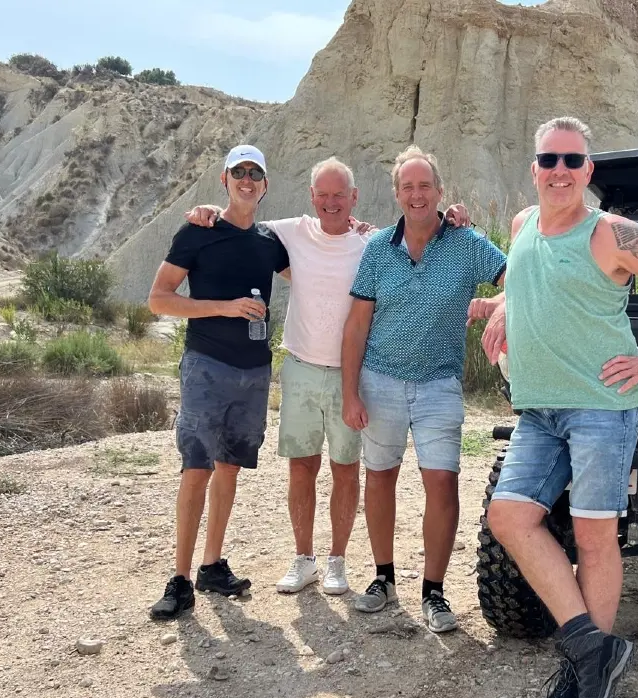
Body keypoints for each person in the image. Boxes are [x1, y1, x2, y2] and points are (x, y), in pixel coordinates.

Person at [471, 117, 638, 698]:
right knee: (509, 517)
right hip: (540, 409)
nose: (559, 171)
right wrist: (502, 308)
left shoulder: (610, 233)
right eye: (548, 160)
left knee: (592, 535)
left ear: (589, 171)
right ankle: (592, 650)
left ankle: (584, 672)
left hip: (601, 407)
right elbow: (536, 281)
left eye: (572, 160)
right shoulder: (523, 225)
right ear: (534, 169)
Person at [183, 160, 473, 598]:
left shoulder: (373, 242)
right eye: (324, 194)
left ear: (355, 198)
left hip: (351, 372)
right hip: (300, 365)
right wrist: (205, 210)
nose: (332, 203)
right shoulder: (286, 232)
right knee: (301, 468)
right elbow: (240, 219)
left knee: (346, 468)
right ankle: (304, 559)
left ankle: (338, 561)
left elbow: (419, 231)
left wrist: (454, 219)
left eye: (341, 195)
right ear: (311, 196)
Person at [341, 145, 506, 633]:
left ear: (439, 191)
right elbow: (356, 327)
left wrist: (500, 304)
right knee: (381, 477)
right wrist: (350, 393)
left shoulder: (465, 241)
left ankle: (433, 591)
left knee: (442, 483)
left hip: (439, 383)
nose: (417, 194)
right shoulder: (377, 250)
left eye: (424, 186)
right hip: (380, 379)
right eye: (407, 187)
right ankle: (383, 578)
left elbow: (518, 274)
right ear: (397, 194)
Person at [146, 144, 289, 620]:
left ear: (265, 185)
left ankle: (212, 565)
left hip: (254, 371)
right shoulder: (198, 231)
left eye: (255, 173)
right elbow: (159, 299)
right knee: (197, 467)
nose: (247, 180)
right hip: (207, 365)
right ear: (224, 180)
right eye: (238, 172)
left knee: (229, 467)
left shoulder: (270, 242)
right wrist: (225, 307)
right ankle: (180, 578)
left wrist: (355, 232)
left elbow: (317, 261)